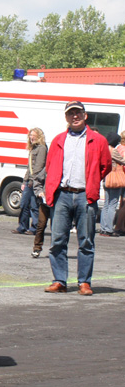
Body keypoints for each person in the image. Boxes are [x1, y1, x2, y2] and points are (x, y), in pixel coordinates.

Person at [43, 100, 111, 296]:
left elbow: (105, 166)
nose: (75, 116)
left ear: (85, 115)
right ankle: (59, 281)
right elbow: (50, 166)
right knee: (57, 240)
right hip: (62, 194)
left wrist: (91, 182)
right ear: (66, 117)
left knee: (87, 242)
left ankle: (84, 282)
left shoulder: (98, 140)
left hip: (85, 196)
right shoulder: (58, 140)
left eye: (78, 113)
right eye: (71, 113)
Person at [12, 129, 45, 235]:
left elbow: (39, 166)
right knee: (24, 204)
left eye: (33, 136)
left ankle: (34, 228)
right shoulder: (32, 149)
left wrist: (32, 181)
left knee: (34, 206)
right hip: (29, 181)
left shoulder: (42, 148)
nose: (31, 138)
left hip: (36, 181)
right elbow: (29, 167)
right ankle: (22, 226)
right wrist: (24, 181)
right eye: (30, 135)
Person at [98, 130, 125, 237]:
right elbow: (123, 161)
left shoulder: (104, 149)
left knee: (106, 204)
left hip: (106, 178)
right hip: (114, 179)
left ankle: (103, 228)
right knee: (112, 204)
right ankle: (108, 229)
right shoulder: (113, 151)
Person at [29, 128, 50, 259]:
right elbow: (38, 177)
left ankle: (58, 249)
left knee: (59, 229)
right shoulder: (48, 168)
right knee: (41, 225)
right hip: (45, 199)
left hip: (58, 200)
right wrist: (39, 192)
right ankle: (37, 248)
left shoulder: (42, 148)